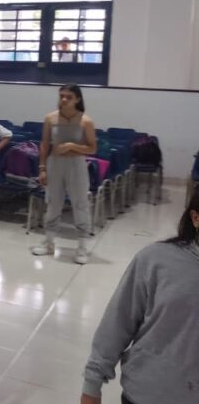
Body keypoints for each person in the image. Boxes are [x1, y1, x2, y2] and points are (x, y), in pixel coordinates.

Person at [80, 195, 199, 404]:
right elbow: (118, 322)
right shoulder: (157, 260)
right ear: (196, 218)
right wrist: (92, 384)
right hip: (148, 393)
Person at [31, 84, 97, 265]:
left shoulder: (86, 121)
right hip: (55, 163)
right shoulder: (50, 118)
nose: (64, 99)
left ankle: (82, 246)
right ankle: (48, 242)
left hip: (76, 164)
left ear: (77, 99)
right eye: (62, 96)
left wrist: (72, 146)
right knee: (53, 203)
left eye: (69, 97)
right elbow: (44, 144)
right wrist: (42, 168)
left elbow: (92, 148)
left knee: (80, 204)